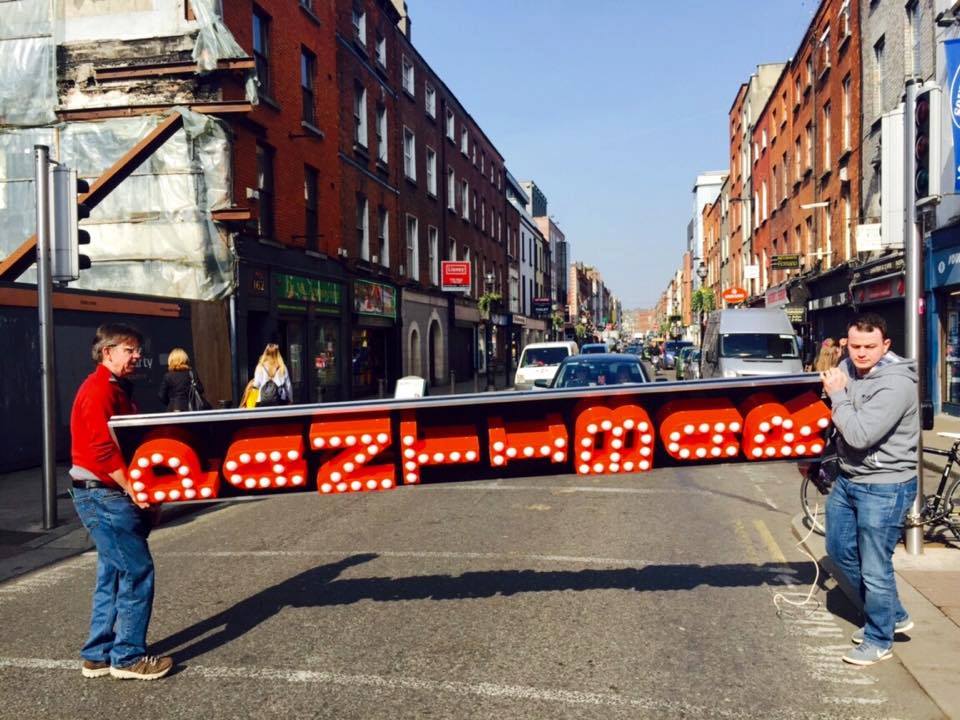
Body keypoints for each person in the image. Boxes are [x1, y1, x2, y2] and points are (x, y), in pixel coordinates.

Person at [69, 323, 173, 681]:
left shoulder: (116, 389)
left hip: (103, 494)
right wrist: (136, 491)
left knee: (113, 574)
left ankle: (97, 654)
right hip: (103, 494)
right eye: (130, 350)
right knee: (136, 571)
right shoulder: (99, 390)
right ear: (107, 352)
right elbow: (102, 450)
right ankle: (127, 656)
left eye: (137, 350)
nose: (137, 356)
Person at [820, 314, 919, 666]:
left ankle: (879, 638)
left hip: (884, 485)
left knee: (876, 566)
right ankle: (892, 614)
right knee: (838, 548)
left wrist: (837, 396)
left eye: (870, 347)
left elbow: (861, 434)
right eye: (856, 346)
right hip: (849, 478)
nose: (861, 354)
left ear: (886, 346)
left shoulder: (896, 384)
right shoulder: (850, 368)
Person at [158, 347, 204, 412]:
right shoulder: (192, 373)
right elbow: (201, 390)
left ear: (171, 360)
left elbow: (161, 395)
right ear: (185, 359)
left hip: (174, 410)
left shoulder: (168, 376)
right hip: (191, 409)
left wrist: (171, 402)